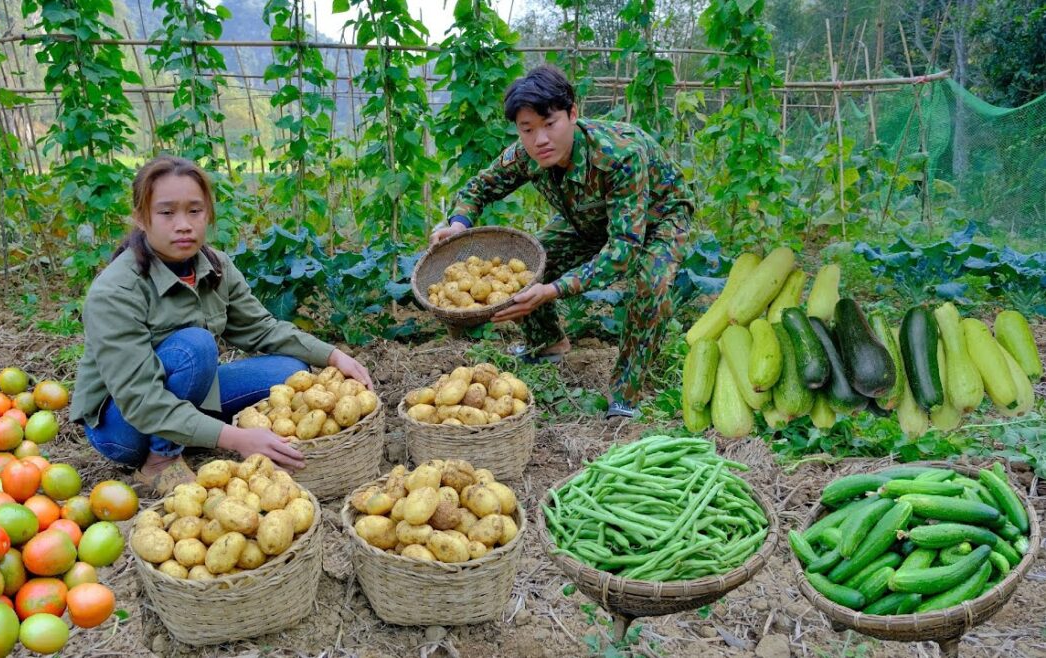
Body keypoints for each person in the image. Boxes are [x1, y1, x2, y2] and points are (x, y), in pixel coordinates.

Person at [70, 155, 373, 494]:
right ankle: (160, 461)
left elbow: (262, 329)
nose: (183, 225)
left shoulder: (215, 266)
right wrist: (238, 439)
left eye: (194, 211)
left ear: (208, 214)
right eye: (167, 213)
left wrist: (333, 356)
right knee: (195, 347)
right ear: (141, 218)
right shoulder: (116, 291)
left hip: (184, 399)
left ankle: (193, 432)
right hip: (123, 427)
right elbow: (141, 400)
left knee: (291, 371)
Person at [431, 65, 693, 419]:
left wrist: (553, 290)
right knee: (531, 264)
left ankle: (626, 394)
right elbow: (480, 187)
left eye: (550, 124)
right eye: (527, 129)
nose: (540, 139)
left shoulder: (620, 155)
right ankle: (548, 344)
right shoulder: (525, 155)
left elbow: (623, 251)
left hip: (658, 216)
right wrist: (457, 225)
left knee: (651, 281)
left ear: (572, 114)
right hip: (589, 218)